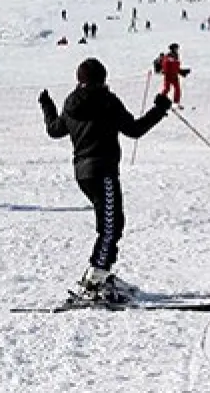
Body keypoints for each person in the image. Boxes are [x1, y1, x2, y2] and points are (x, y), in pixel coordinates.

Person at [38, 58, 172, 303]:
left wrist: (47, 105)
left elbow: (54, 130)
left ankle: (101, 272)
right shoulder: (107, 102)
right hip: (103, 171)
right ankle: (96, 278)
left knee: (109, 221)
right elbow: (134, 130)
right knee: (112, 224)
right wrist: (160, 109)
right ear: (102, 78)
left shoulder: (71, 105)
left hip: (83, 174)